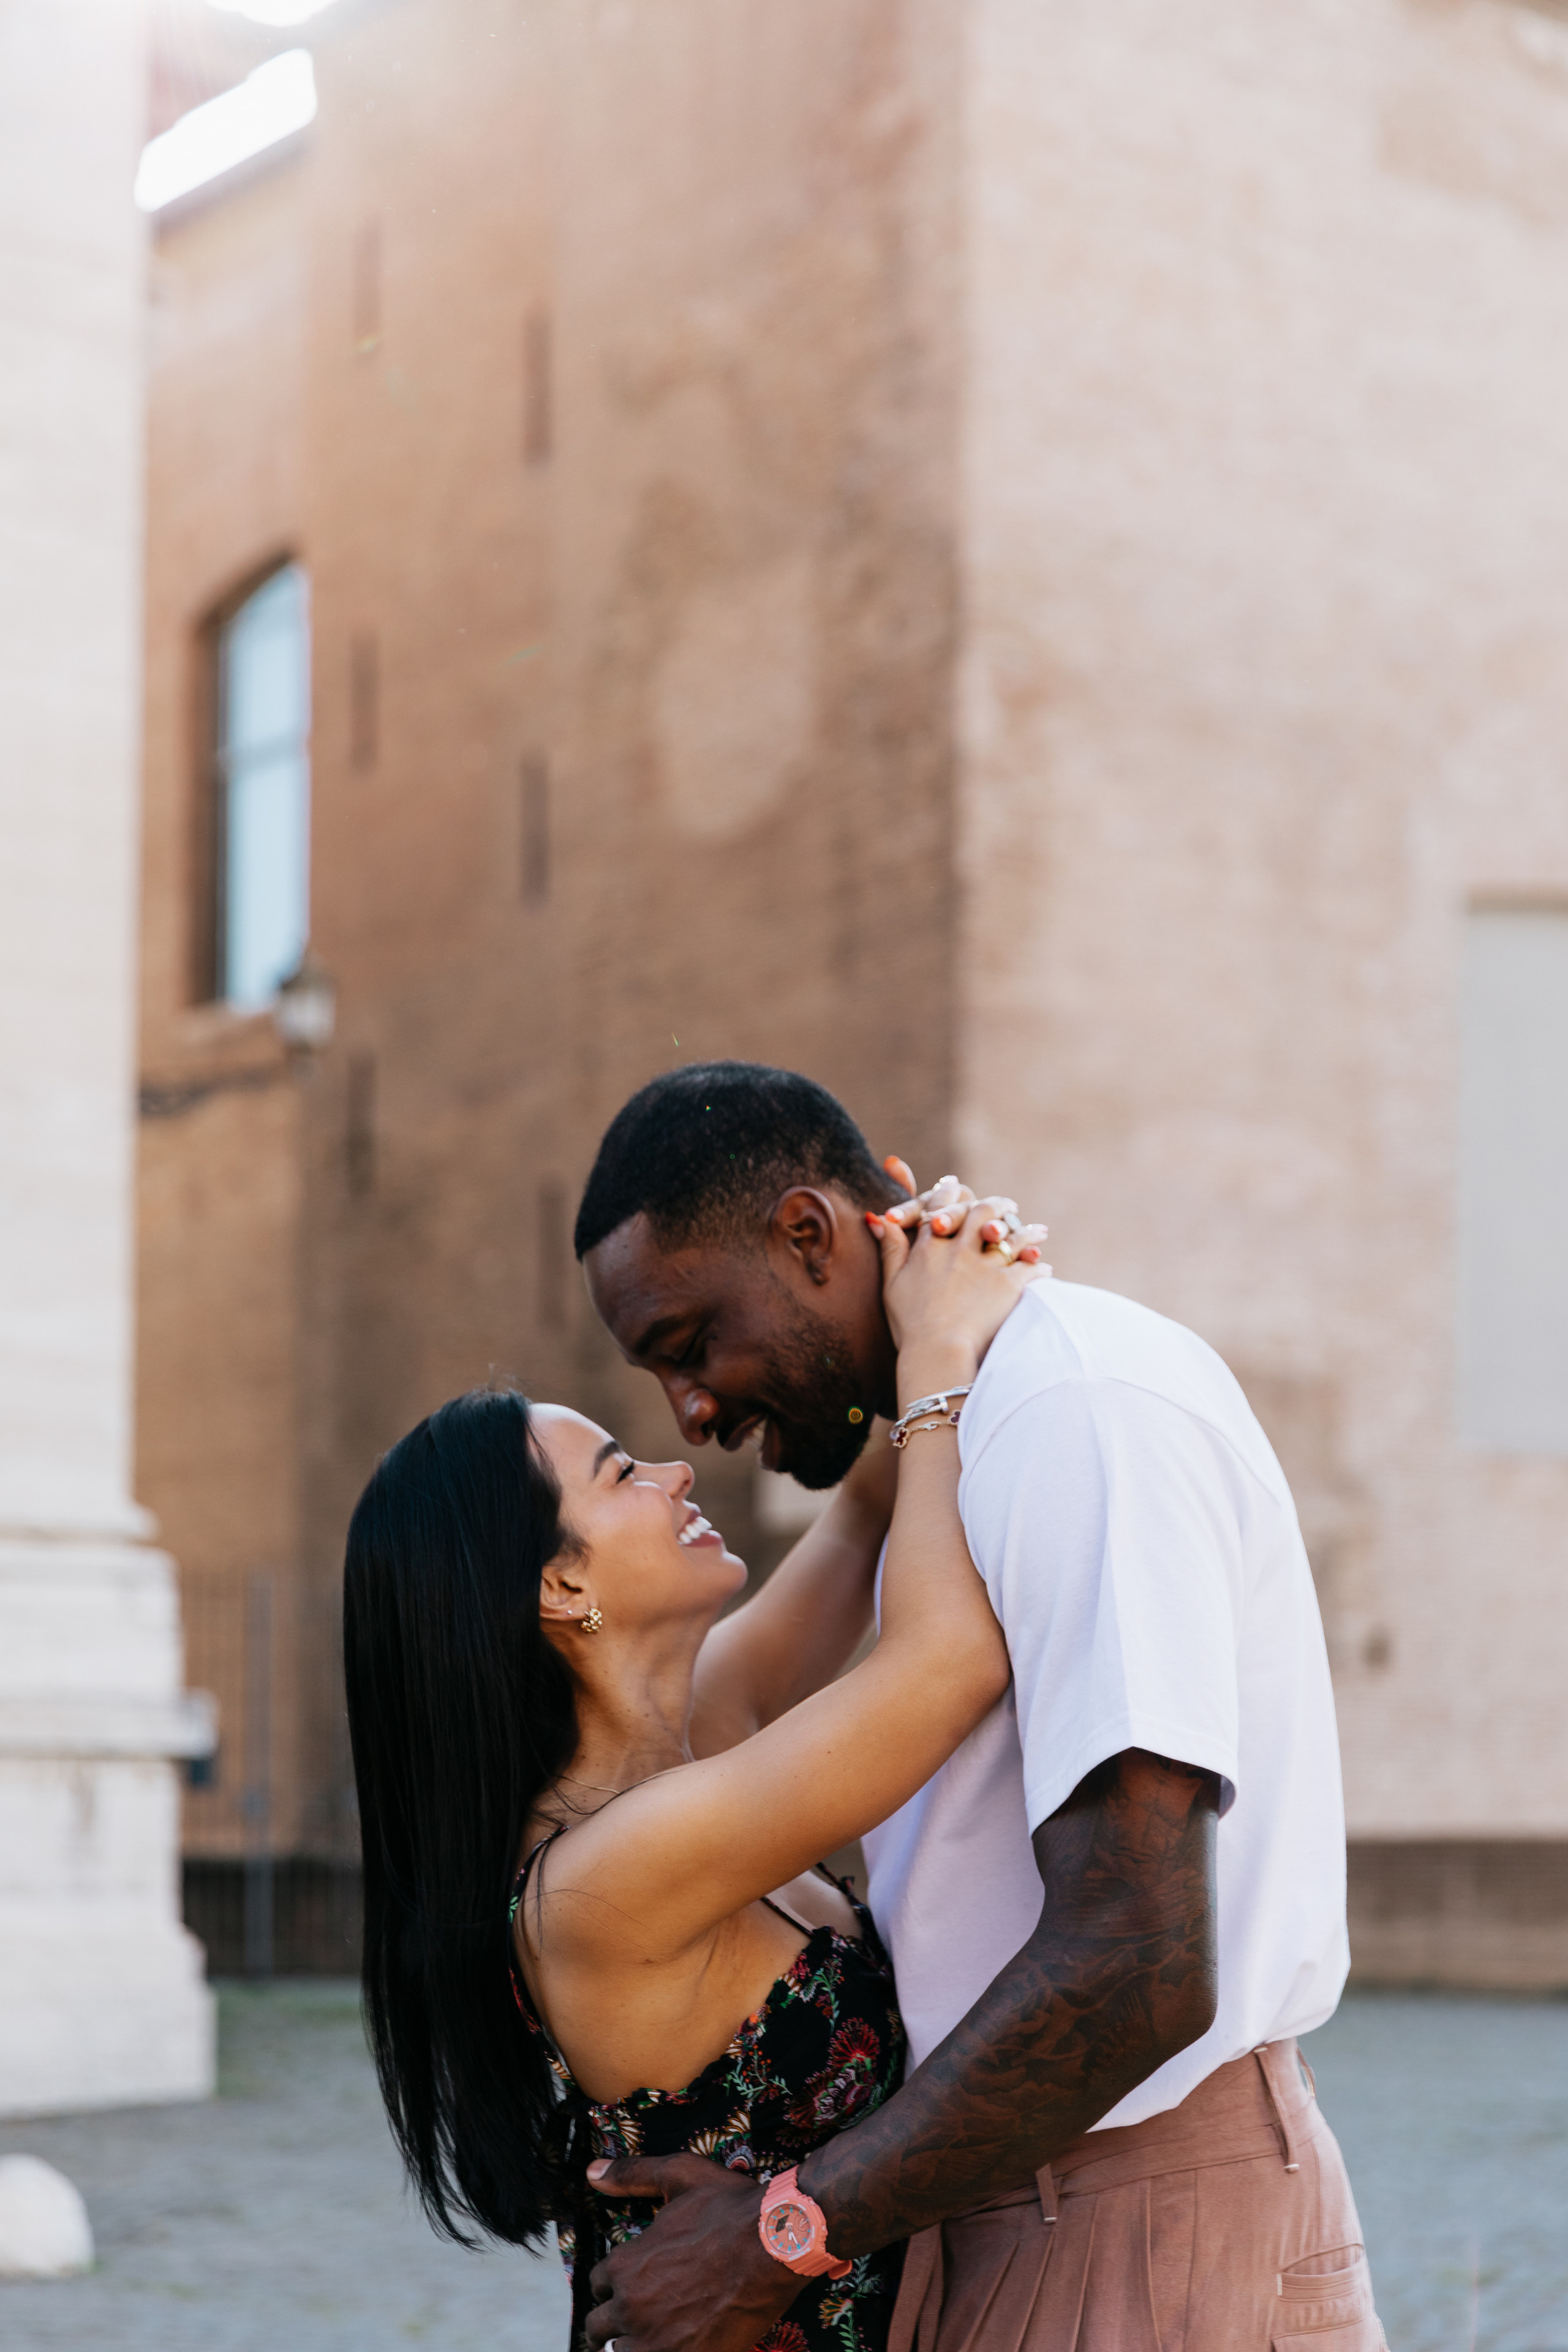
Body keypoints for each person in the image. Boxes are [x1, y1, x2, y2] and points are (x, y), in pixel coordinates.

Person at [573, 1061, 1385, 2352]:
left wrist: (787, 2227)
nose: (691, 1413)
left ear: (806, 1235)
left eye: (690, 1345)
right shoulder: (953, 1441)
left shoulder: (1073, 1409)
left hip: (1132, 2224)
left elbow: (1137, 1965)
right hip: (994, 2206)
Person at [342, 1197, 1041, 2352]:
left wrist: (913, 1254)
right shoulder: (603, 1882)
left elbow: (873, 1498)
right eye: (621, 1475)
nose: (673, 1470)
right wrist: (941, 1357)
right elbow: (945, 1664)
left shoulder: (692, 1739)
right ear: (561, 1589)